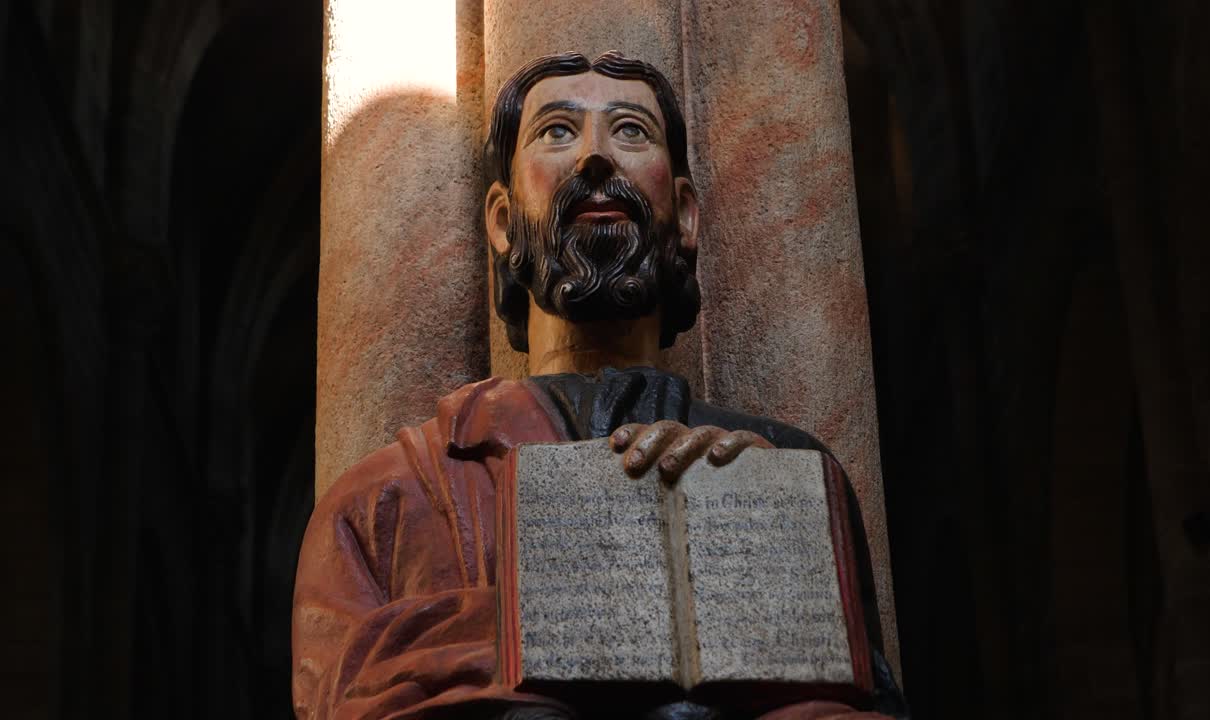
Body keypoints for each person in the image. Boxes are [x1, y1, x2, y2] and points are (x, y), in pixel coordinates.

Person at [293, 51, 906, 720]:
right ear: (501, 222)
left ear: (686, 213)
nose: (595, 159)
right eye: (557, 131)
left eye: (631, 131)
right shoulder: (386, 499)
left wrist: (771, 549)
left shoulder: (786, 472)